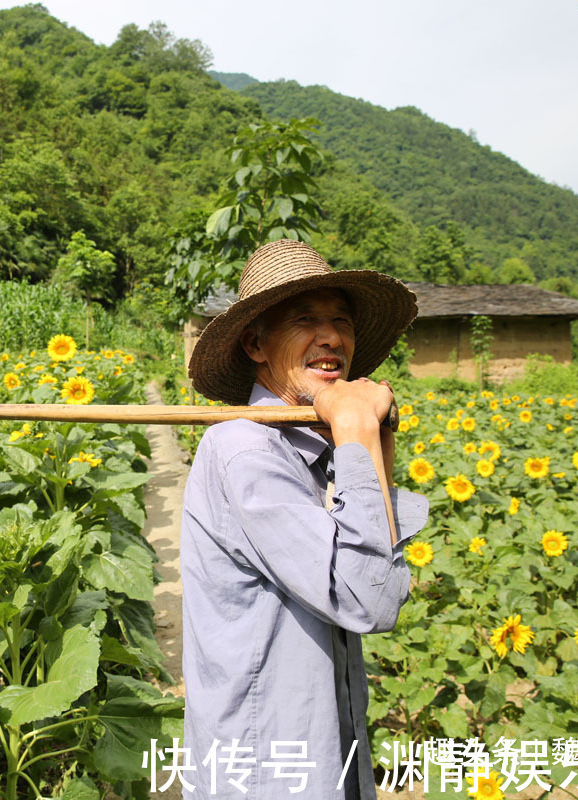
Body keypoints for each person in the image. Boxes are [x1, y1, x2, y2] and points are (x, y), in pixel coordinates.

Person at [179, 239, 428, 799]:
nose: (332, 337)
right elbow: (370, 600)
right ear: (255, 343)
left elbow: (380, 575)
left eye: (341, 320)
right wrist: (358, 434)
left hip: (321, 752)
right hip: (268, 769)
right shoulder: (246, 450)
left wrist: (369, 440)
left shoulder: (311, 448)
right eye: (305, 320)